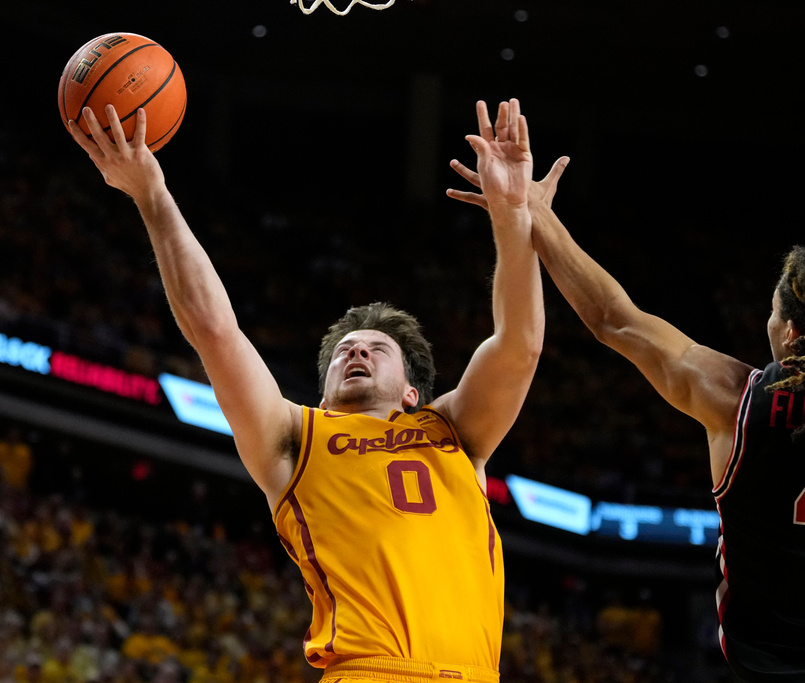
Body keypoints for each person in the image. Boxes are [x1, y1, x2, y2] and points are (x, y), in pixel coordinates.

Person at [448, 138, 805, 680]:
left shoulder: (738, 402)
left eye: (772, 311)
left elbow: (613, 318)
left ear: (791, 332)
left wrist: (533, 211)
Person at [68, 98, 558, 682]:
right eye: (345, 350)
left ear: (412, 392)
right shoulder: (294, 435)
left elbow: (520, 343)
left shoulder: (454, 429)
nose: (357, 352)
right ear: (323, 395)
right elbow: (214, 331)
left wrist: (512, 217)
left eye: (377, 348)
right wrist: (152, 195)